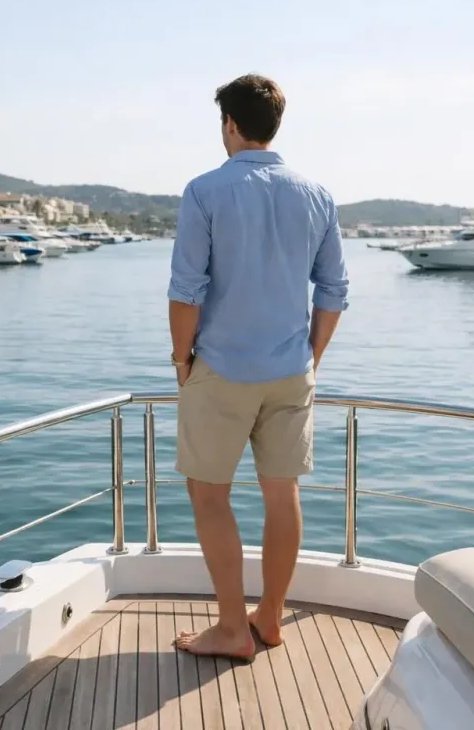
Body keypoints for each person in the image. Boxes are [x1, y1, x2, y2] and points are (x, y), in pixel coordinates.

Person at [168, 74, 349, 660]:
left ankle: (229, 628)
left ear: (229, 124)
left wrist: (181, 361)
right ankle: (268, 618)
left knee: (209, 494)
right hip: (291, 368)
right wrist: (310, 357)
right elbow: (333, 290)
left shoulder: (203, 191)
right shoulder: (317, 194)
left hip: (219, 366)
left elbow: (185, 291)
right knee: (282, 493)